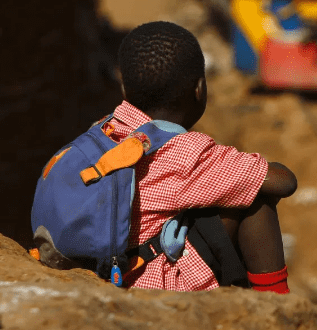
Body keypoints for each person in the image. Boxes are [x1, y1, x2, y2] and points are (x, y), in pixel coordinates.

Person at [104, 21, 295, 293]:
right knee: (254, 197)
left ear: (125, 90)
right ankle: (277, 307)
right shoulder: (184, 153)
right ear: (199, 90)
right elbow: (284, 181)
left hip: (107, 269)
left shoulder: (104, 131)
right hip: (149, 285)